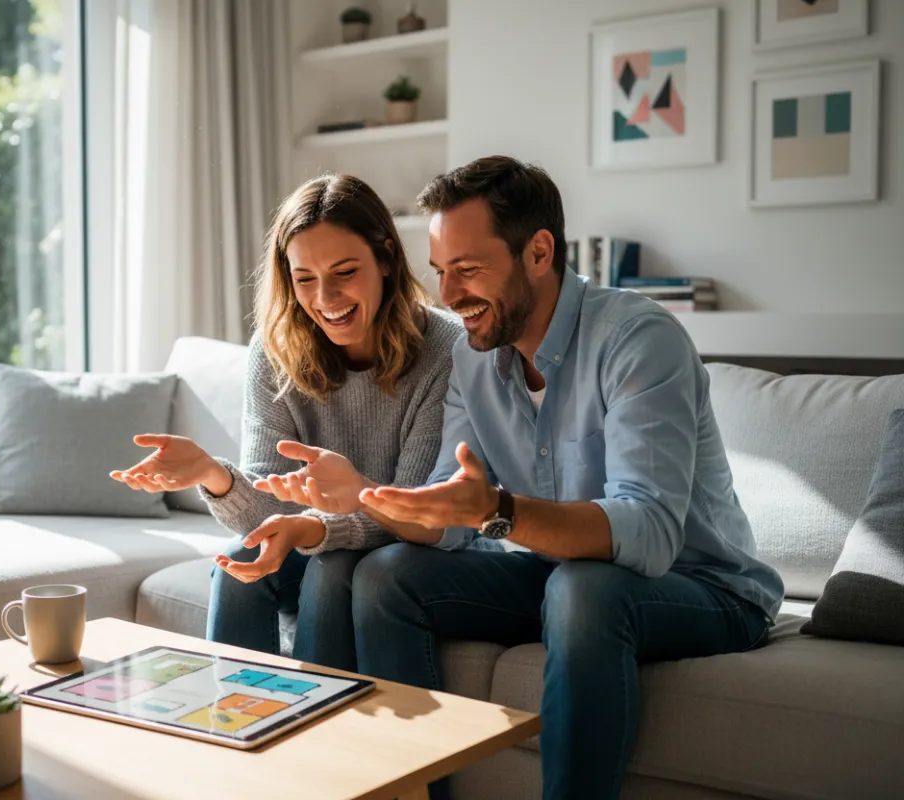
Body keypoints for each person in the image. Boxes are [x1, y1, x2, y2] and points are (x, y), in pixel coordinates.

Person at [261, 156, 785, 799]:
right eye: (442, 273)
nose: (449, 297)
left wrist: (494, 510)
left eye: (470, 270)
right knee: (384, 576)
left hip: (703, 586)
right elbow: (447, 521)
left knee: (584, 589)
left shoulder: (639, 339)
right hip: (554, 571)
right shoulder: (474, 357)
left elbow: (647, 536)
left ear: (538, 252)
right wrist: (362, 494)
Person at [111, 173, 463, 672]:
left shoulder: (445, 350)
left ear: (385, 259)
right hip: (323, 539)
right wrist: (216, 476)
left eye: (345, 272)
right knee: (236, 568)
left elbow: (416, 509)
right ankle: (234, 730)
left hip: (405, 548)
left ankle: (314, 734)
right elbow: (266, 515)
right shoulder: (275, 353)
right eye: (305, 279)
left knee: (332, 568)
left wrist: (317, 528)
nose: (326, 298)